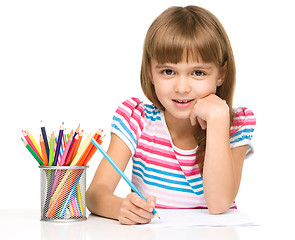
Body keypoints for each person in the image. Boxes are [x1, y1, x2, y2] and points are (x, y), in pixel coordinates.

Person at [86, 5, 256, 225]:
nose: (182, 87)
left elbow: (219, 204)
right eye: (168, 71)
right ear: (150, 72)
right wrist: (121, 207)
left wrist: (218, 120)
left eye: (198, 73)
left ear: (221, 74)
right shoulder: (136, 119)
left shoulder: (236, 124)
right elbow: (95, 194)